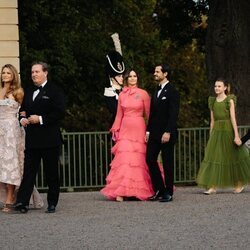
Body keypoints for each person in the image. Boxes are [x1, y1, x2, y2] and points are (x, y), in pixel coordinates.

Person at [14, 61, 66, 213]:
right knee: (29, 172)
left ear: (45, 73)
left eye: (36, 72)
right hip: (32, 140)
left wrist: (41, 119)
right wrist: (21, 119)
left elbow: (59, 112)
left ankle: (52, 203)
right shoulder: (29, 91)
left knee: (51, 173)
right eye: (32, 72)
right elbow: (22, 110)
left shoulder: (55, 91)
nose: (34, 75)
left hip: (50, 140)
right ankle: (22, 203)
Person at [101, 69, 154, 201]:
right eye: (130, 76)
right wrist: (115, 129)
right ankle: (121, 191)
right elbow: (119, 114)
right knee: (124, 160)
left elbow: (149, 115)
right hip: (125, 130)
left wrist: (149, 131)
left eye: (134, 76)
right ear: (126, 79)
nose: (132, 78)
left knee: (138, 160)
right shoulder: (122, 95)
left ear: (137, 78)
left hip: (139, 129)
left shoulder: (143, 94)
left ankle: (138, 191)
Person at [0, 64, 44, 212]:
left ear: (13, 75)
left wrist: (25, 120)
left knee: (11, 163)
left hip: (12, 131)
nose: (5, 75)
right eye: (3, 73)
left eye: (8, 73)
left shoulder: (18, 92)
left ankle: (11, 197)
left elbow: (25, 110)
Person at [196, 78, 250, 194]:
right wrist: (211, 136)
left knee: (233, 156)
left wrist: (236, 135)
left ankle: (238, 184)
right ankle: (212, 186)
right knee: (214, 157)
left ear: (225, 88)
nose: (216, 88)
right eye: (215, 86)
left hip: (228, 131)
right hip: (216, 132)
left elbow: (233, 118)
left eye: (219, 86)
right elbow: (212, 121)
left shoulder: (229, 100)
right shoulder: (212, 101)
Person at [146, 63, 180, 202]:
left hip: (166, 133)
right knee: (150, 159)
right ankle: (160, 189)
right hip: (154, 133)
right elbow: (152, 114)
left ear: (165, 74)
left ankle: (169, 192)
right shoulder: (156, 90)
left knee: (167, 163)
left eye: (158, 71)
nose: (155, 73)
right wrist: (148, 130)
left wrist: (168, 131)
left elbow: (174, 114)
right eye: (155, 71)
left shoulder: (172, 91)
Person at [104, 50, 125, 125]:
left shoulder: (125, 90)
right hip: (117, 124)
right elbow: (115, 110)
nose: (122, 78)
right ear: (112, 78)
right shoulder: (109, 92)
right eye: (119, 76)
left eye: (122, 76)